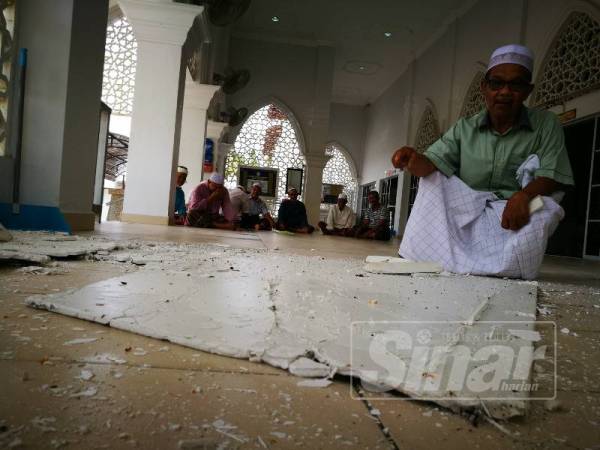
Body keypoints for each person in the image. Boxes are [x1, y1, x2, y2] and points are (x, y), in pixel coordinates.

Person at [391, 44, 574, 280]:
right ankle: (421, 255)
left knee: (546, 207)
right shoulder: (464, 128)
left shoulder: (546, 124)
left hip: (517, 209)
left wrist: (524, 196)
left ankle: (508, 267)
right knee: (432, 180)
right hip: (469, 207)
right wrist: (413, 159)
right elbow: (432, 163)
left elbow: (552, 175)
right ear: (484, 88)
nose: (505, 92)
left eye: (516, 85)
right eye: (497, 83)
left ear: (528, 90)